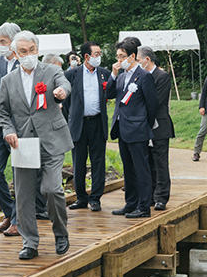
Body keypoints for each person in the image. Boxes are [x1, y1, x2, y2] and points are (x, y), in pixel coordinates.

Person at [0, 31, 73, 260]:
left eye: (31, 51)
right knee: (24, 196)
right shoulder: (8, 81)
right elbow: (2, 112)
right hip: (23, 143)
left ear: (37, 50)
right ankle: (30, 242)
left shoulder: (51, 71)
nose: (27, 55)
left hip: (51, 139)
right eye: (22, 52)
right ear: (15, 53)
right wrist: (8, 131)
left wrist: (61, 92)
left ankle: (61, 233)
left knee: (51, 189)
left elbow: (64, 84)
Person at [0, 23, 49, 237]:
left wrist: (4, 91)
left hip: (21, 129)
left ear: (13, 43)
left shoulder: (28, 65)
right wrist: (7, 90)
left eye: (2, 42)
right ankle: (9, 211)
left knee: (20, 177)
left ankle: (16, 220)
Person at [107, 37, 157, 218]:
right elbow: (110, 93)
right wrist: (113, 75)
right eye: (117, 56)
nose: (118, 60)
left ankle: (144, 206)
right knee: (128, 168)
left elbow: (152, 105)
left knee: (141, 168)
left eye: (122, 56)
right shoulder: (121, 77)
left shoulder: (144, 76)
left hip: (137, 128)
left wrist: (144, 124)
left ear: (132, 56)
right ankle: (130, 202)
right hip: (122, 128)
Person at [64, 41, 112, 212]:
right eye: (96, 54)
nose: (99, 56)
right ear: (87, 56)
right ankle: (81, 197)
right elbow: (66, 100)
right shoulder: (72, 74)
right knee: (79, 162)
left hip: (98, 122)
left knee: (98, 161)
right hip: (79, 123)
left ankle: (96, 198)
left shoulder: (104, 74)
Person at [137, 46, 175, 210]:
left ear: (147, 60)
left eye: (138, 60)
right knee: (148, 161)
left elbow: (156, 101)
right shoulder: (139, 76)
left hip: (159, 125)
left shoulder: (162, 76)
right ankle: (150, 194)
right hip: (143, 125)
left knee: (160, 162)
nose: (136, 64)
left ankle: (161, 197)